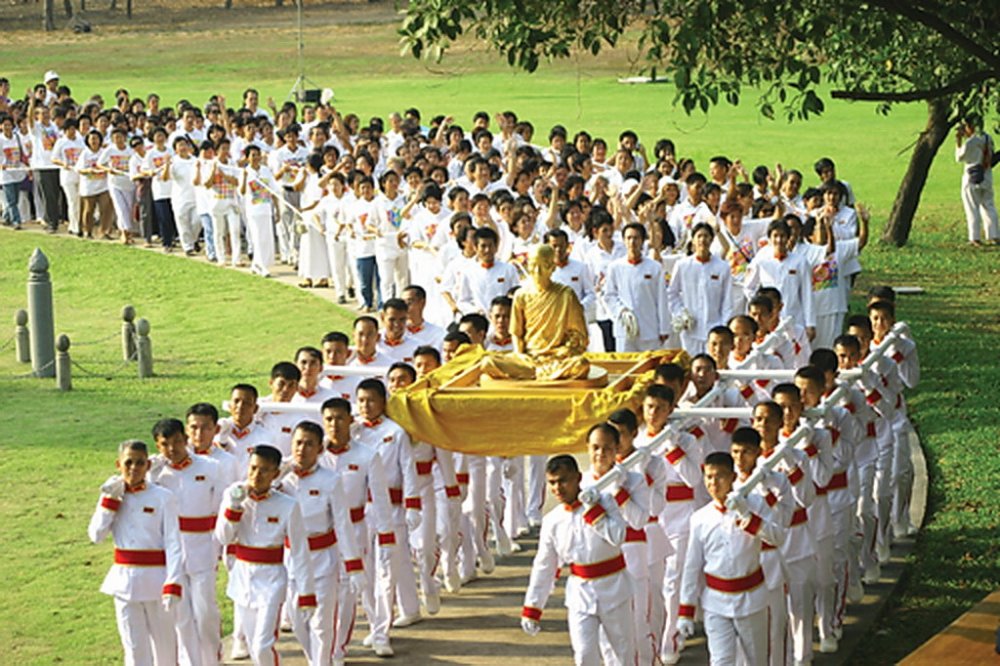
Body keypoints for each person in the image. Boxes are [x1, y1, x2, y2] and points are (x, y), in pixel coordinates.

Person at [521, 453, 635, 665]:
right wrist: (533, 607)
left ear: (578, 478)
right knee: (584, 654)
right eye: (552, 482)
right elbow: (545, 565)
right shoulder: (552, 520)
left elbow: (618, 536)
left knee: (622, 654)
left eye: (563, 480)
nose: (558, 488)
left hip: (614, 589)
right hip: (580, 594)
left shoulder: (604, 501)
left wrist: (595, 512)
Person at [215, 444, 317, 666]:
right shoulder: (234, 495)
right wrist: (234, 508)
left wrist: (307, 592)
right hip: (243, 578)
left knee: (263, 645)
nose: (256, 475)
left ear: (276, 473)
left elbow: (299, 551)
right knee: (253, 647)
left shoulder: (287, 505)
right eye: (253, 468)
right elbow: (223, 537)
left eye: (264, 470)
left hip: (271, 580)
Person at [678, 451, 783, 666]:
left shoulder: (755, 504)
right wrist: (686, 610)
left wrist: (749, 517)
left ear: (733, 477)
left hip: (751, 600)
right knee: (721, 661)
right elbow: (692, 566)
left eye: (720, 476)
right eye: (709, 477)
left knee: (756, 661)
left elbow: (777, 537)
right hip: (716, 602)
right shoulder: (700, 518)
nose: (713, 483)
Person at [88, 439, 183, 666]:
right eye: (128, 462)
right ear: (118, 464)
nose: (134, 468)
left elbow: (173, 543)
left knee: (165, 648)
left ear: (148, 465)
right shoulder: (112, 494)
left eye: (140, 463)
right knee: (134, 649)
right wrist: (109, 502)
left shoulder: (163, 497)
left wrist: (173, 582)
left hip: (157, 582)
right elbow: (96, 535)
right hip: (124, 582)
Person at [278, 421, 366, 666]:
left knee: (322, 624)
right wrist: (276, 476)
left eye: (309, 444)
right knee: (298, 621)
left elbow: (343, 523)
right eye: (298, 443)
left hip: (323, 560)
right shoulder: (280, 477)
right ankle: (314, 659)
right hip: (292, 561)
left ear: (319, 449)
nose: (302, 449)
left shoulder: (330, 480)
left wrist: (354, 566)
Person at [319, 397, 395, 663]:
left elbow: (380, 497)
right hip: (322, 534)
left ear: (351, 420)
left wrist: (386, 536)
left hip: (355, 530)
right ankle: (325, 646)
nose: (334, 424)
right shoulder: (313, 453)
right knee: (325, 593)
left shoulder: (366, 456)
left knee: (354, 588)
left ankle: (351, 643)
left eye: (340, 418)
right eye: (329, 419)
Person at [353, 378, 423, 656]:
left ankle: (382, 632)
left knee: (386, 571)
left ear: (383, 402)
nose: (366, 405)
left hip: (391, 511)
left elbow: (408, 469)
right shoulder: (354, 432)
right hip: (362, 513)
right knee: (367, 572)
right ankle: (376, 624)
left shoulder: (396, 432)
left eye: (371, 400)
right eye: (361, 400)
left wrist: (412, 504)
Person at [147, 418, 224, 666]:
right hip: (170, 553)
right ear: (157, 445)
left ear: (186, 439)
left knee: (205, 613)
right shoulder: (154, 474)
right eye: (165, 444)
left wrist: (220, 546)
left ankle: (212, 659)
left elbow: (221, 508)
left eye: (177, 441)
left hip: (203, 550)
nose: (172, 449)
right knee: (180, 616)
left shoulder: (210, 467)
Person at [603, 222, 671, 352]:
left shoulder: (654, 267)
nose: (632, 242)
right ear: (623, 241)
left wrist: (664, 328)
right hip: (625, 330)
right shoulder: (615, 267)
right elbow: (609, 296)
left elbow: (661, 299)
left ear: (642, 241)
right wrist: (622, 311)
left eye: (636, 238)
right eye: (628, 238)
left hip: (650, 330)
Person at [666, 222, 732, 354]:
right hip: (690, 330)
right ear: (693, 240)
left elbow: (727, 300)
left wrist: (723, 325)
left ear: (712, 239)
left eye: (706, 236)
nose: (703, 240)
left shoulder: (722, 267)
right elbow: (672, 293)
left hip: (714, 328)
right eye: (699, 236)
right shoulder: (682, 265)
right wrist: (681, 314)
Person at [954, 113, 998, 246]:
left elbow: (959, 157)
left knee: (972, 208)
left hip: (971, 177)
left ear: (970, 126)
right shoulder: (988, 138)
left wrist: (958, 141)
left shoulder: (970, 142)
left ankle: (975, 237)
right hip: (987, 176)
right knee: (989, 206)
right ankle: (994, 235)